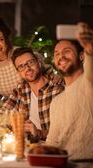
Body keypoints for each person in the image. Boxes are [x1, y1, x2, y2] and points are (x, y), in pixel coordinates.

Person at [46, 23, 93, 160]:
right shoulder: (56, 102)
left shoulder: (88, 83)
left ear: (81, 56)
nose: (61, 57)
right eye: (57, 54)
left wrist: (90, 49)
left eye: (67, 51)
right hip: (63, 164)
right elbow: (52, 142)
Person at [2, 47, 64, 142]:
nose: (27, 68)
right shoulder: (21, 89)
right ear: (18, 72)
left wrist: (38, 133)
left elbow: (64, 132)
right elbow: (3, 115)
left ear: (38, 62)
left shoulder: (57, 88)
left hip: (52, 148)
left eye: (30, 62)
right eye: (21, 67)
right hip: (27, 146)